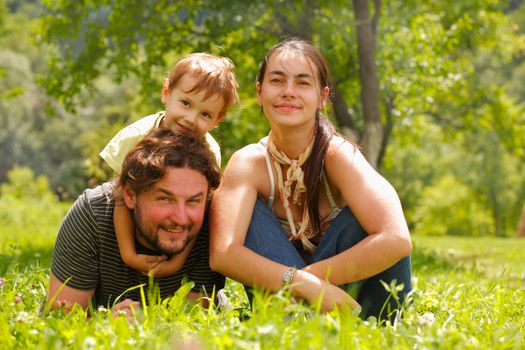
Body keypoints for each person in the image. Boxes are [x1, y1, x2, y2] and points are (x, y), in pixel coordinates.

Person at [209, 39, 412, 320]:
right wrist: (299, 284)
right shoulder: (249, 163)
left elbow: (397, 239)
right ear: (259, 92)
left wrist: (309, 282)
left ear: (323, 97)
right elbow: (223, 253)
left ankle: (342, 324)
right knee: (250, 213)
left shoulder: (339, 155)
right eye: (277, 81)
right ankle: (301, 323)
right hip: (284, 308)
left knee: (368, 218)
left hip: (354, 307)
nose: (289, 92)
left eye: (303, 83)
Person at [47, 129, 224, 314]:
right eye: (165, 199)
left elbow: (193, 321)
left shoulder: (211, 221)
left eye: (193, 201)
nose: (180, 218)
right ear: (130, 195)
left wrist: (143, 323)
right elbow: (59, 318)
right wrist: (108, 324)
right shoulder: (93, 213)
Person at [99, 53, 238, 277]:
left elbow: (198, 210)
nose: (191, 119)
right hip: (129, 226)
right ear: (166, 93)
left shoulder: (210, 151)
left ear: (217, 120)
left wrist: (176, 262)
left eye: (205, 114)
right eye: (185, 103)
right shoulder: (136, 136)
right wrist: (128, 254)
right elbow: (121, 199)